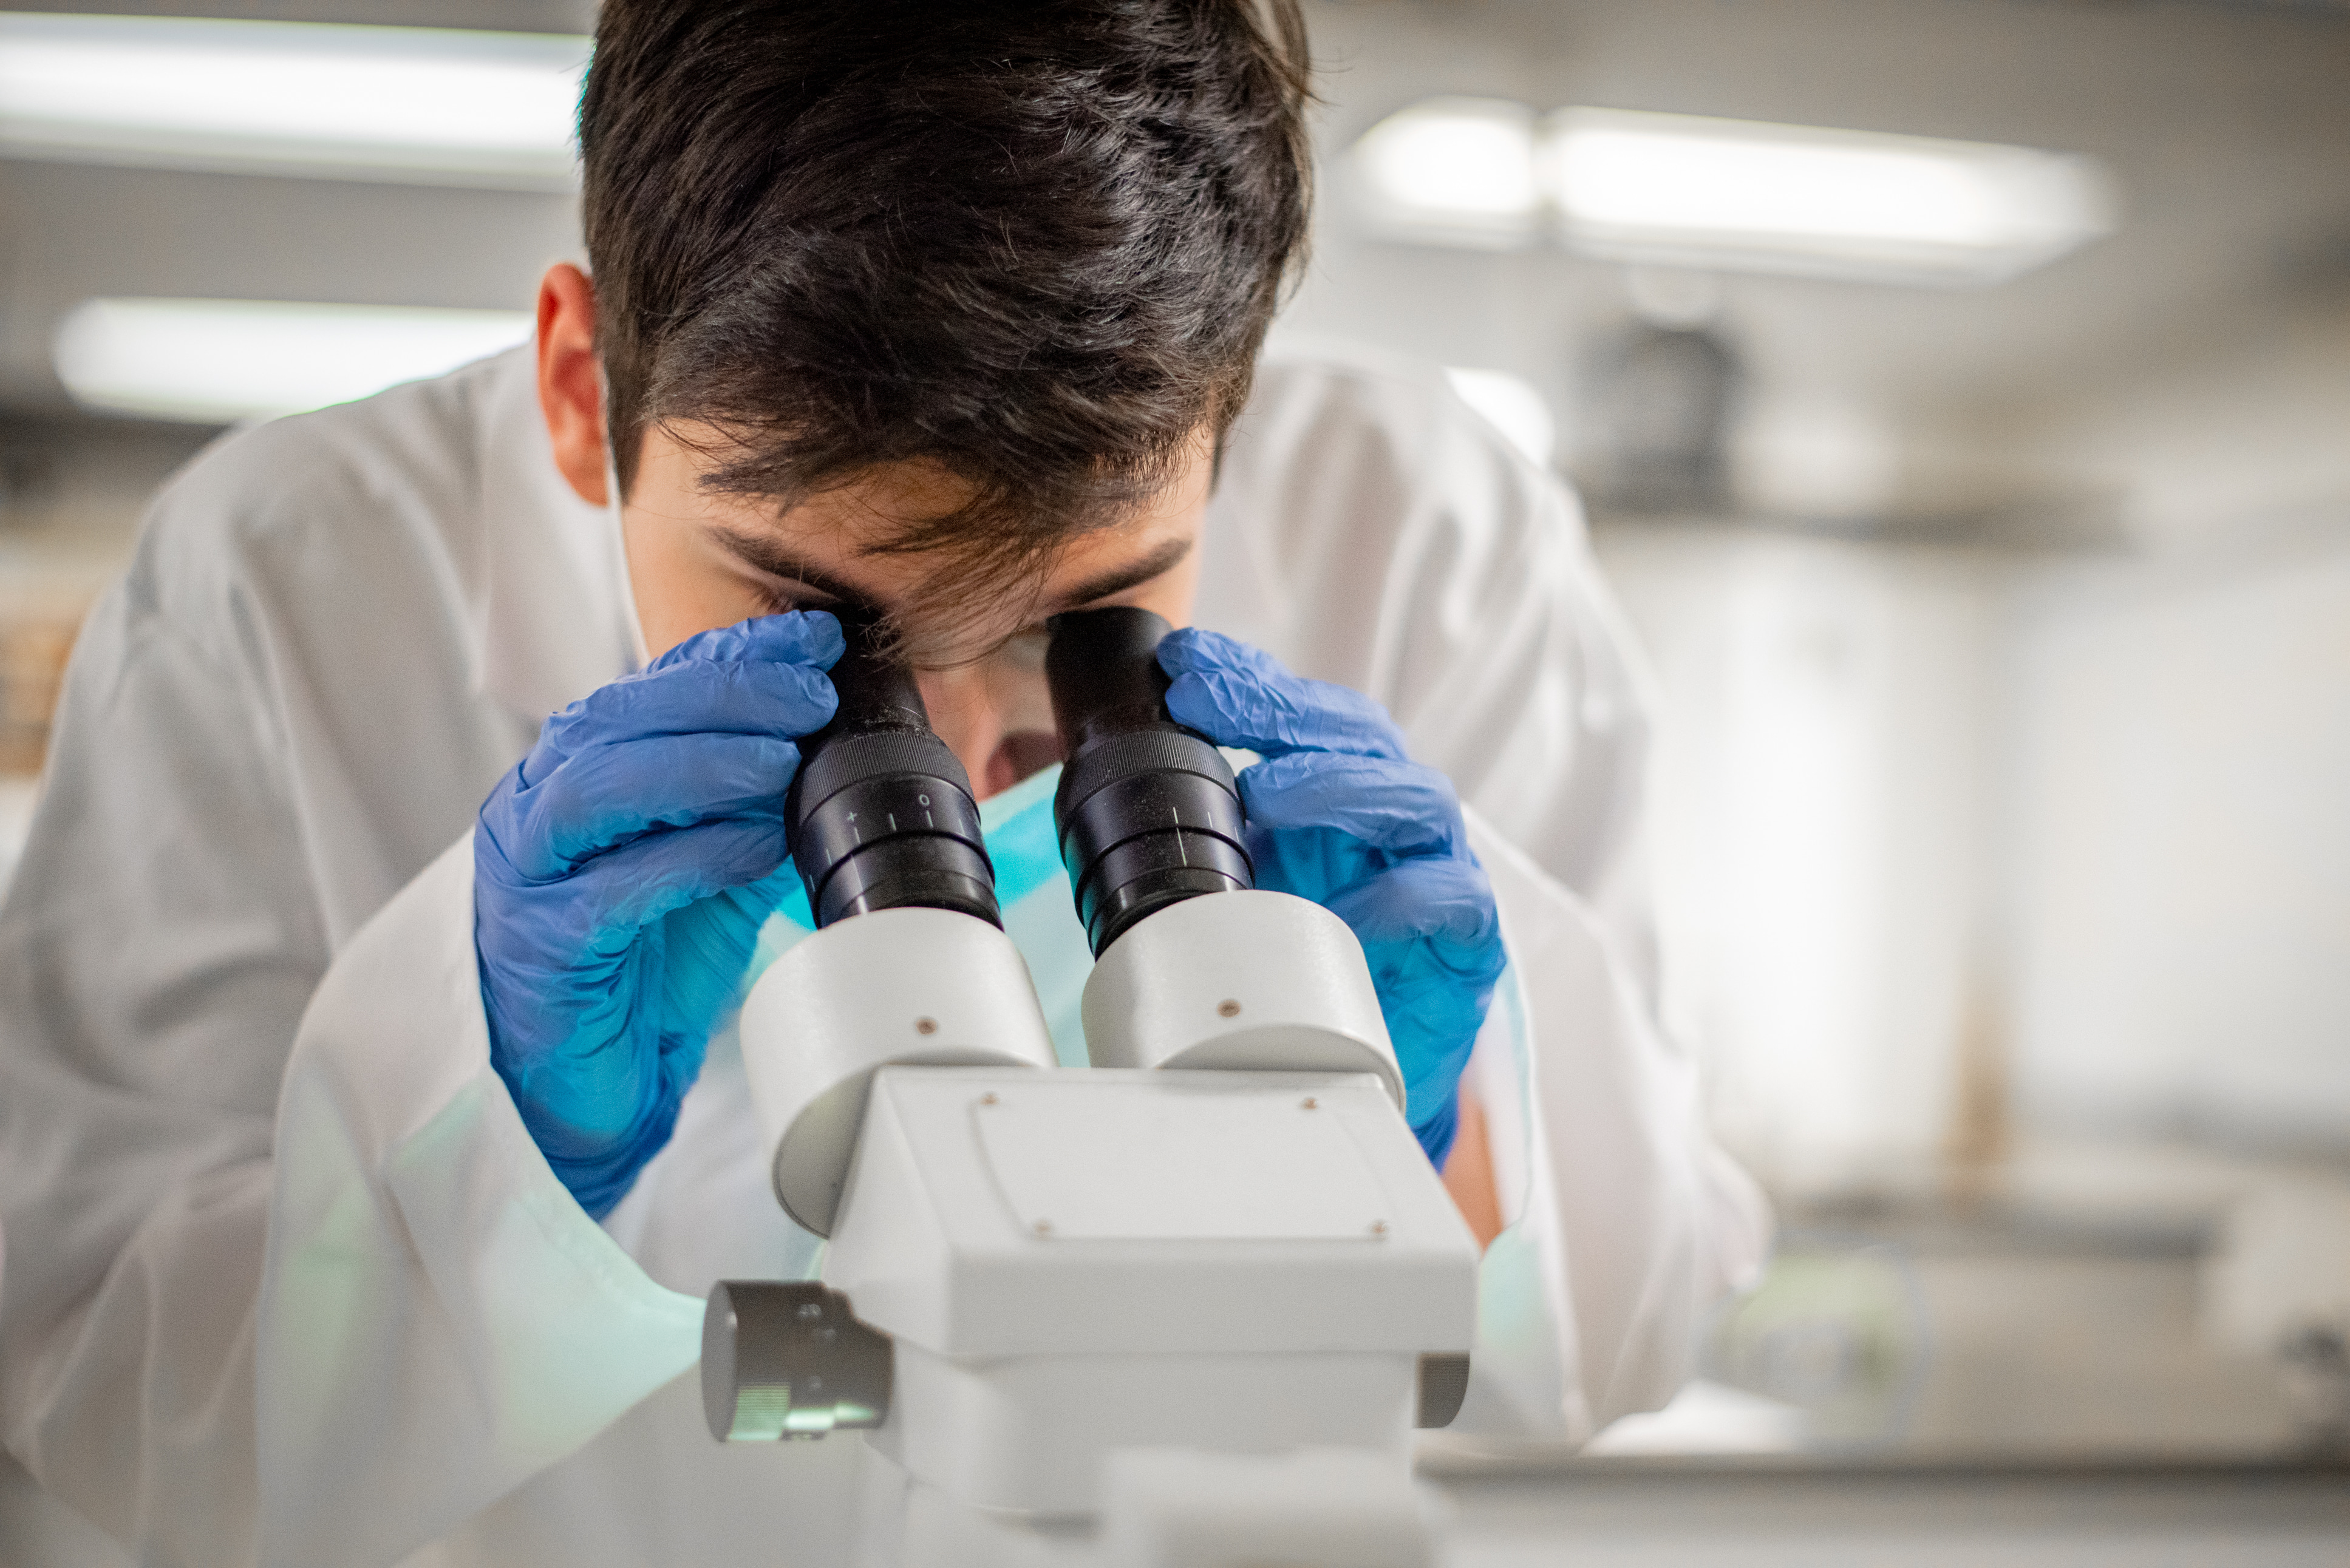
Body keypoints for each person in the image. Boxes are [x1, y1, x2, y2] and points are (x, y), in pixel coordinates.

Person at [0, 2, 1767, 1563]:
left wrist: (1450, 1139)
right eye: (818, 619)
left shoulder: (1430, 535)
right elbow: (108, 1407)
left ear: (1233, 413)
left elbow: (1634, 1321)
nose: (966, 749)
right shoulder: (286, 583)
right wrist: (492, 1148)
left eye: (1091, 618)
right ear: (577, 379)